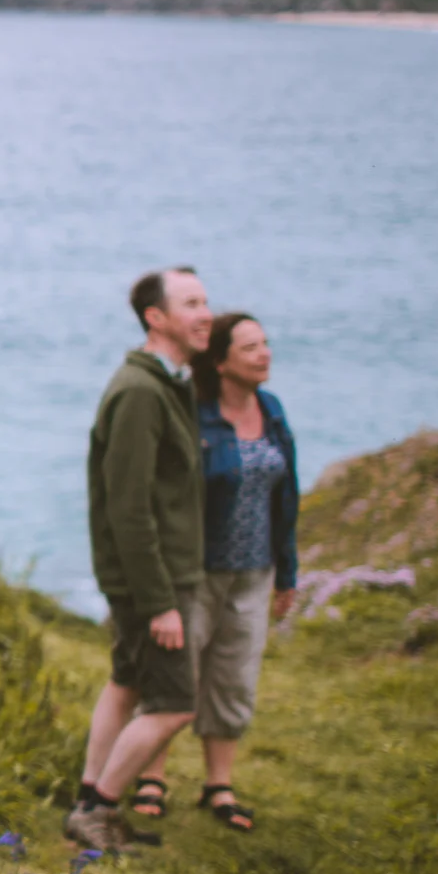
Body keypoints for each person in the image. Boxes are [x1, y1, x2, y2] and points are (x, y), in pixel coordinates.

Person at [126, 313, 297, 832]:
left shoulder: (271, 411)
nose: (264, 354)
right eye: (250, 348)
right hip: (197, 569)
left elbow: (285, 495)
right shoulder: (193, 416)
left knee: (235, 674)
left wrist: (287, 572)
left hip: (254, 570)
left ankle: (218, 784)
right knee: (178, 673)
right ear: (221, 362)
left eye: (265, 344)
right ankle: (150, 776)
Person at [67, 266, 214, 852]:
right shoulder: (139, 393)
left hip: (150, 578)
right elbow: (128, 508)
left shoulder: (164, 384)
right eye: (192, 304)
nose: (206, 314)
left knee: (126, 682)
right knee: (176, 705)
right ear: (156, 318)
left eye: (206, 301)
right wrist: (159, 604)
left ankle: (87, 798)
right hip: (153, 582)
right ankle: (98, 811)